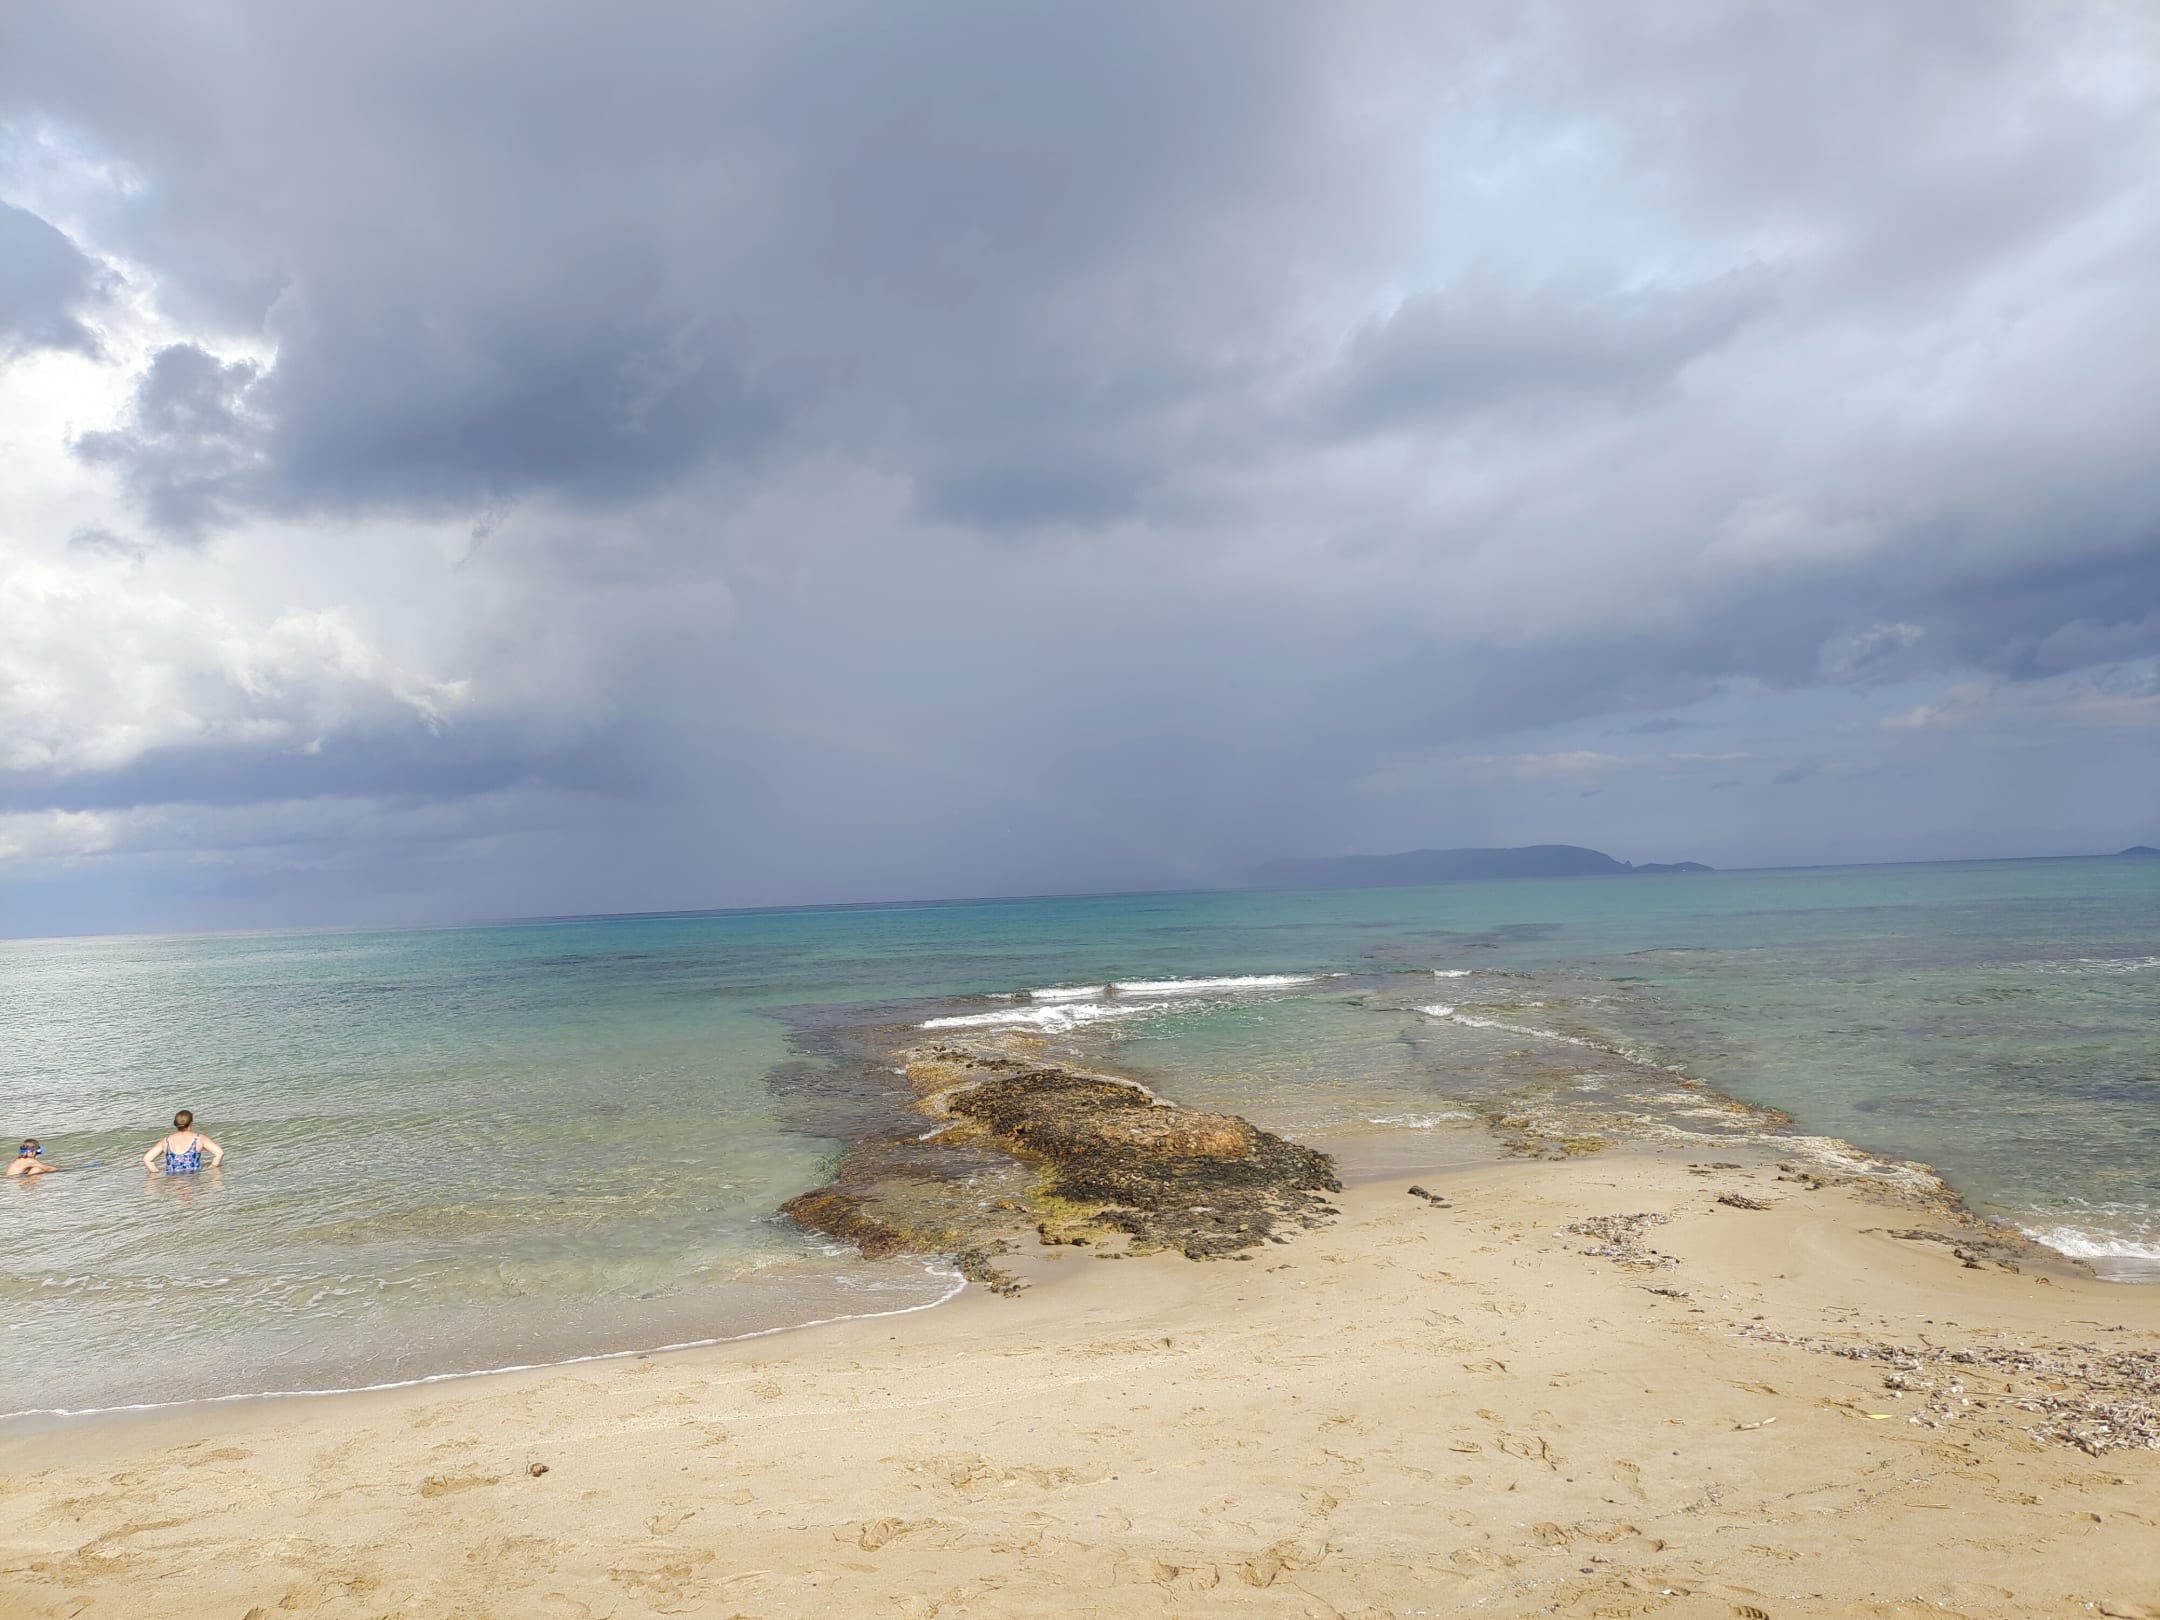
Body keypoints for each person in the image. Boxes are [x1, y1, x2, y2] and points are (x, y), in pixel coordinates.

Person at [143, 1110, 223, 1173]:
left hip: (172, 1182)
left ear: (175, 1123)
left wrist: (156, 1172)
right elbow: (219, 1153)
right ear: (191, 1122)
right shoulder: (199, 1139)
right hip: (193, 1180)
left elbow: (147, 1159)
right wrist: (211, 1168)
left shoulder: (166, 1141)